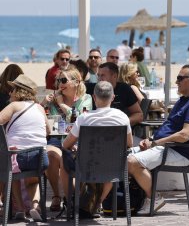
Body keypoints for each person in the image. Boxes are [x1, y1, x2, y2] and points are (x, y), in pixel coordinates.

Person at [127, 64, 189, 214]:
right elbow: (169, 127)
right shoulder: (183, 100)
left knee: (131, 162)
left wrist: (155, 143)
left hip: (180, 152)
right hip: (166, 147)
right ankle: (125, 201)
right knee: (121, 155)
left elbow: (184, 135)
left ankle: (153, 197)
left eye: (179, 78)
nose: (176, 82)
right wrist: (150, 139)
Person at [60, 81, 133, 211]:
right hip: (113, 166)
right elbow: (129, 144)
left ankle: (72, 202)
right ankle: (98, 203)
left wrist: (79, 148)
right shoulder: (122, 117)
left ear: (94, 97)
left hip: (87, 165)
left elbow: (66, 145)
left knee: (63, 159)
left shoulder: (84, 118)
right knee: (113, 163)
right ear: (113, 97)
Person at [41, 67, 92, 212]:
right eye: (58, 80)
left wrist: (62, 105)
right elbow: (39, 116)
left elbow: (81, 119)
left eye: (64, 80)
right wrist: (43, 103)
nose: (60, 84)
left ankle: (74, 199)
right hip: (57, 138)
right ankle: (57, 196)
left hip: (77, 139)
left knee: (66, 157)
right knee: (50, 155)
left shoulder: (86, 98)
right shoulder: (53, 98)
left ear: (76, 82)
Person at [0, 74, 49, 221]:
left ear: (19, 91)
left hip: (18, 157)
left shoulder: (14, 106)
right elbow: (47, 131)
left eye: (12, 89)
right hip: (40, 157)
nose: (10, 93)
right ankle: (35, 206)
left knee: (12, 167)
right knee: (33, 179)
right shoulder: (40, 108)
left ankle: (20, 208)